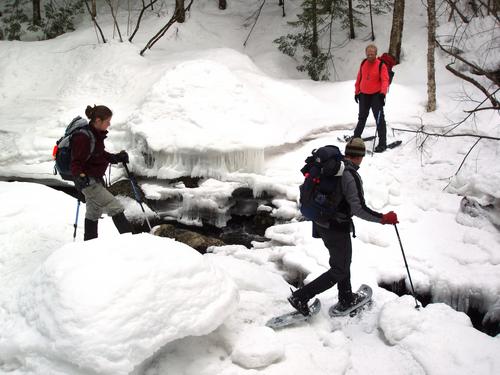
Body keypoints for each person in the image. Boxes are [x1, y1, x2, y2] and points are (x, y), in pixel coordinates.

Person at [288, 138, 399, 316]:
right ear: (360, 156)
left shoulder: (332, 168)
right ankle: (301, 297)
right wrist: (383, 218)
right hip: (335, 226)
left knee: (341, 262)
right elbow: (359, 208)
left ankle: (346, 297)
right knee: (339, 268)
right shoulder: (349, 175)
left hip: (321, 223)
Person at [71, 105, 133, 241]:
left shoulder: (95, 135)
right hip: (88, 182)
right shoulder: (83, 137)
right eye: (107, 121)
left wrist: (116, 157)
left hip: (95, 180)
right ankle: (130, 243)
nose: (109, 124)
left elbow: (99, 154)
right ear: (98, 120)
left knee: (93, 213)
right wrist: (79, 177)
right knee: (116, 207)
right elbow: (76, 162)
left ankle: (90, 244)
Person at [353, 44, 390, 153]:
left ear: (376, 53)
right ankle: (356, 138)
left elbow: (385, 80)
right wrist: (356, 92)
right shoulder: (364, 63)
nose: (370, 56)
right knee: (362, 118)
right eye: (368, 54)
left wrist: (383, 94)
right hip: (364, 95)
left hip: (376, 95)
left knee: (379, 120)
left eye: (372, 54)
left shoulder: (381, 65)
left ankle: (382, 143)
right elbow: (359, 77)